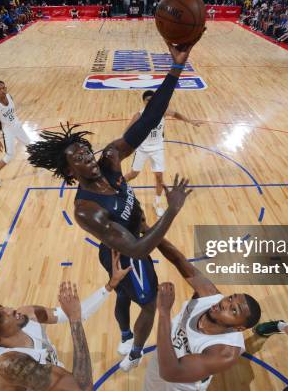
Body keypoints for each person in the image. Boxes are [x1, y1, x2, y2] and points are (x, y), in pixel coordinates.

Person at [26, 35, 202, 372]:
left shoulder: (109, 158)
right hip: (126, 250)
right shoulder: (85, 209)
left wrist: (176, 67)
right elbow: (136, 250)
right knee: (149, 305)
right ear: (68, 171)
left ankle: (123, 331)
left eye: (85, 151)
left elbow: (149, 119)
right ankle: (135, 350)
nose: (88, 158)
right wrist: (174, 209)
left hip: (135, 236)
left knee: (122, 294)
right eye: (78, 158)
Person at [0, 251, 131, 391]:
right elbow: (83, 388)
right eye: (0, 317)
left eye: (0, 306)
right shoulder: (9, 366)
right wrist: (75, 320)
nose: (10, 310)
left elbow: (77, 312)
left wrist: (111, 285)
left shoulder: (27, 314)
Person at [144, 238, 261, 390]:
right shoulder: (210, 295)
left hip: (183, 379)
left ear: (239, 328)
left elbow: (171, 373)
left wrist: (164, 312)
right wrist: (147, 230)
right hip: (165, 351)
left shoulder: (225, 353)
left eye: (233, 310)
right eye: (230, 298)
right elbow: (179, 260)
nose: (224, 304)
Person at [124, 90, 200, 217]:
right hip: (142, 149)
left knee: (159, 177)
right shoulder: (139, 115)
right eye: (147, 100)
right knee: (133, 174)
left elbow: (176, 114)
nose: (150, 102)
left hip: (157, 149)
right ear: (143, 101)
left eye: (152, 100)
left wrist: (191, 121)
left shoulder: (162, 112)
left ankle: (157, 203)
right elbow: (127, 131)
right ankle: (115, 186)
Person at [0, 80, 32, 188]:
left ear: (5, 88)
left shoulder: (10, 96)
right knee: (10, 155)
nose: (2, 90)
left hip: (17, 126)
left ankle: (37, 161)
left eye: (3, 88)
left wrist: (18, 124)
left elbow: (12, 113)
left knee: (30, 145)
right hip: (8, 131)